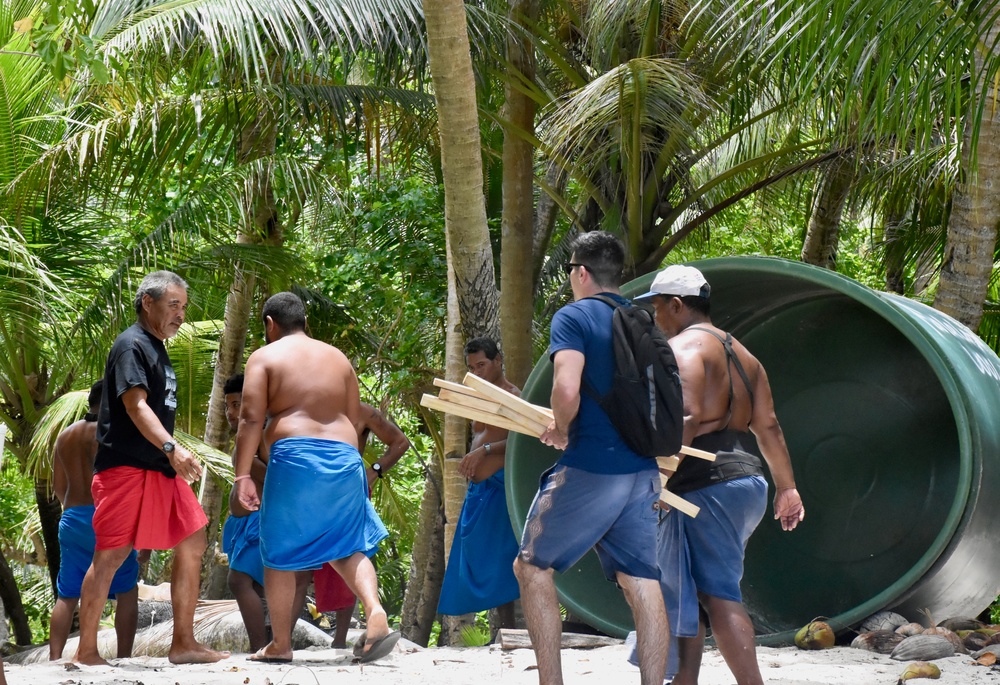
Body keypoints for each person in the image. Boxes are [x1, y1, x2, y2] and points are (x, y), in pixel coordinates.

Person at [635, 264, 805, 685]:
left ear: (676, 305)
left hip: (704, 485)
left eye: (658, 309)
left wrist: (658, 478)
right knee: (691, 590)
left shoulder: (684, 347)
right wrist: (788, 488)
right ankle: (684, 680)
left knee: (718, 592)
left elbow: (688, 415)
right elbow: (768, 427)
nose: (656, 319)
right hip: (745, 480)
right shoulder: (746, 356)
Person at [513, 231, 669, 685]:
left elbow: (565, 387)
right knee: (641, 579)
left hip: (593, 465)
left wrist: (561, 428)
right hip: (643, 470)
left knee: (531, 566)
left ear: (580, 272)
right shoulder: (641, 318)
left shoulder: (574, 316)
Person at [233, 292, 399, 664]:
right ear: (304, 323)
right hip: (345, 459)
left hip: (295, 459)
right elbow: (354, 415)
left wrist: (242, 474)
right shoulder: (338, 359)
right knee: (346, 546)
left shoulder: (264, 356)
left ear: (270, 325)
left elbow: (249, 418)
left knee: (277, 554)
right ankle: (374, 610)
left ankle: (280, 644)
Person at [74, 270, 229, 666]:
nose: (180, 314)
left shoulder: (157, 348)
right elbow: (135, 405)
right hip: (124, 467)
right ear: (148, 302)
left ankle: (183, 643)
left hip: (159, 469)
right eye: (173, 304)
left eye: (184, 307)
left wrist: (171, 456)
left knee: (193, 540)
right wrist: (172, 448)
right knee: (111, 555)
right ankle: (87, 650)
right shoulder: (131, 345)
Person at [49, 379, 140, 661]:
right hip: (109, 518)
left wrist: (76, 510)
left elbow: (57, 487)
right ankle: (124, 656)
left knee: (67, 595)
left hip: (73, 517)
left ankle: (54, 659)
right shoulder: (114, 434)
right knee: (126, 590)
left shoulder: (65, 436)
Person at [437, 337, 520, 631]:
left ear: (499, 360)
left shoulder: (513, 396)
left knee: (500, 560)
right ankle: (499, 628)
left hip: (499, 490)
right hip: (479, 491)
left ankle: (508, 629)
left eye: (482, 365)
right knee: (477, 560)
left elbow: (524, 443)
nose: (478, 372)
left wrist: (484, 451)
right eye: (472, 367)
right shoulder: (477, 396)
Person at [312, 400, 411, 649]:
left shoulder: (362, 411)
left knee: (349, 555)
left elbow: (400, 442)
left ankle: (339, 639)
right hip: (317, 489)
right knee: (344, 557)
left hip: (345, 489)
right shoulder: (306, 406)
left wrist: (375, 470)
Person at [220, 373, 270, 652]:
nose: (230, 412)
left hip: (257, 522)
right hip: (245, 522)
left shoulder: (261, 432)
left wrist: (248, 462)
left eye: (237, 404)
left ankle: (259, 646)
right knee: (257, 586)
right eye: (228, 406)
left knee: (238, 581)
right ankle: (267, 644)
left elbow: (273, 471)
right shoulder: (246, 436)